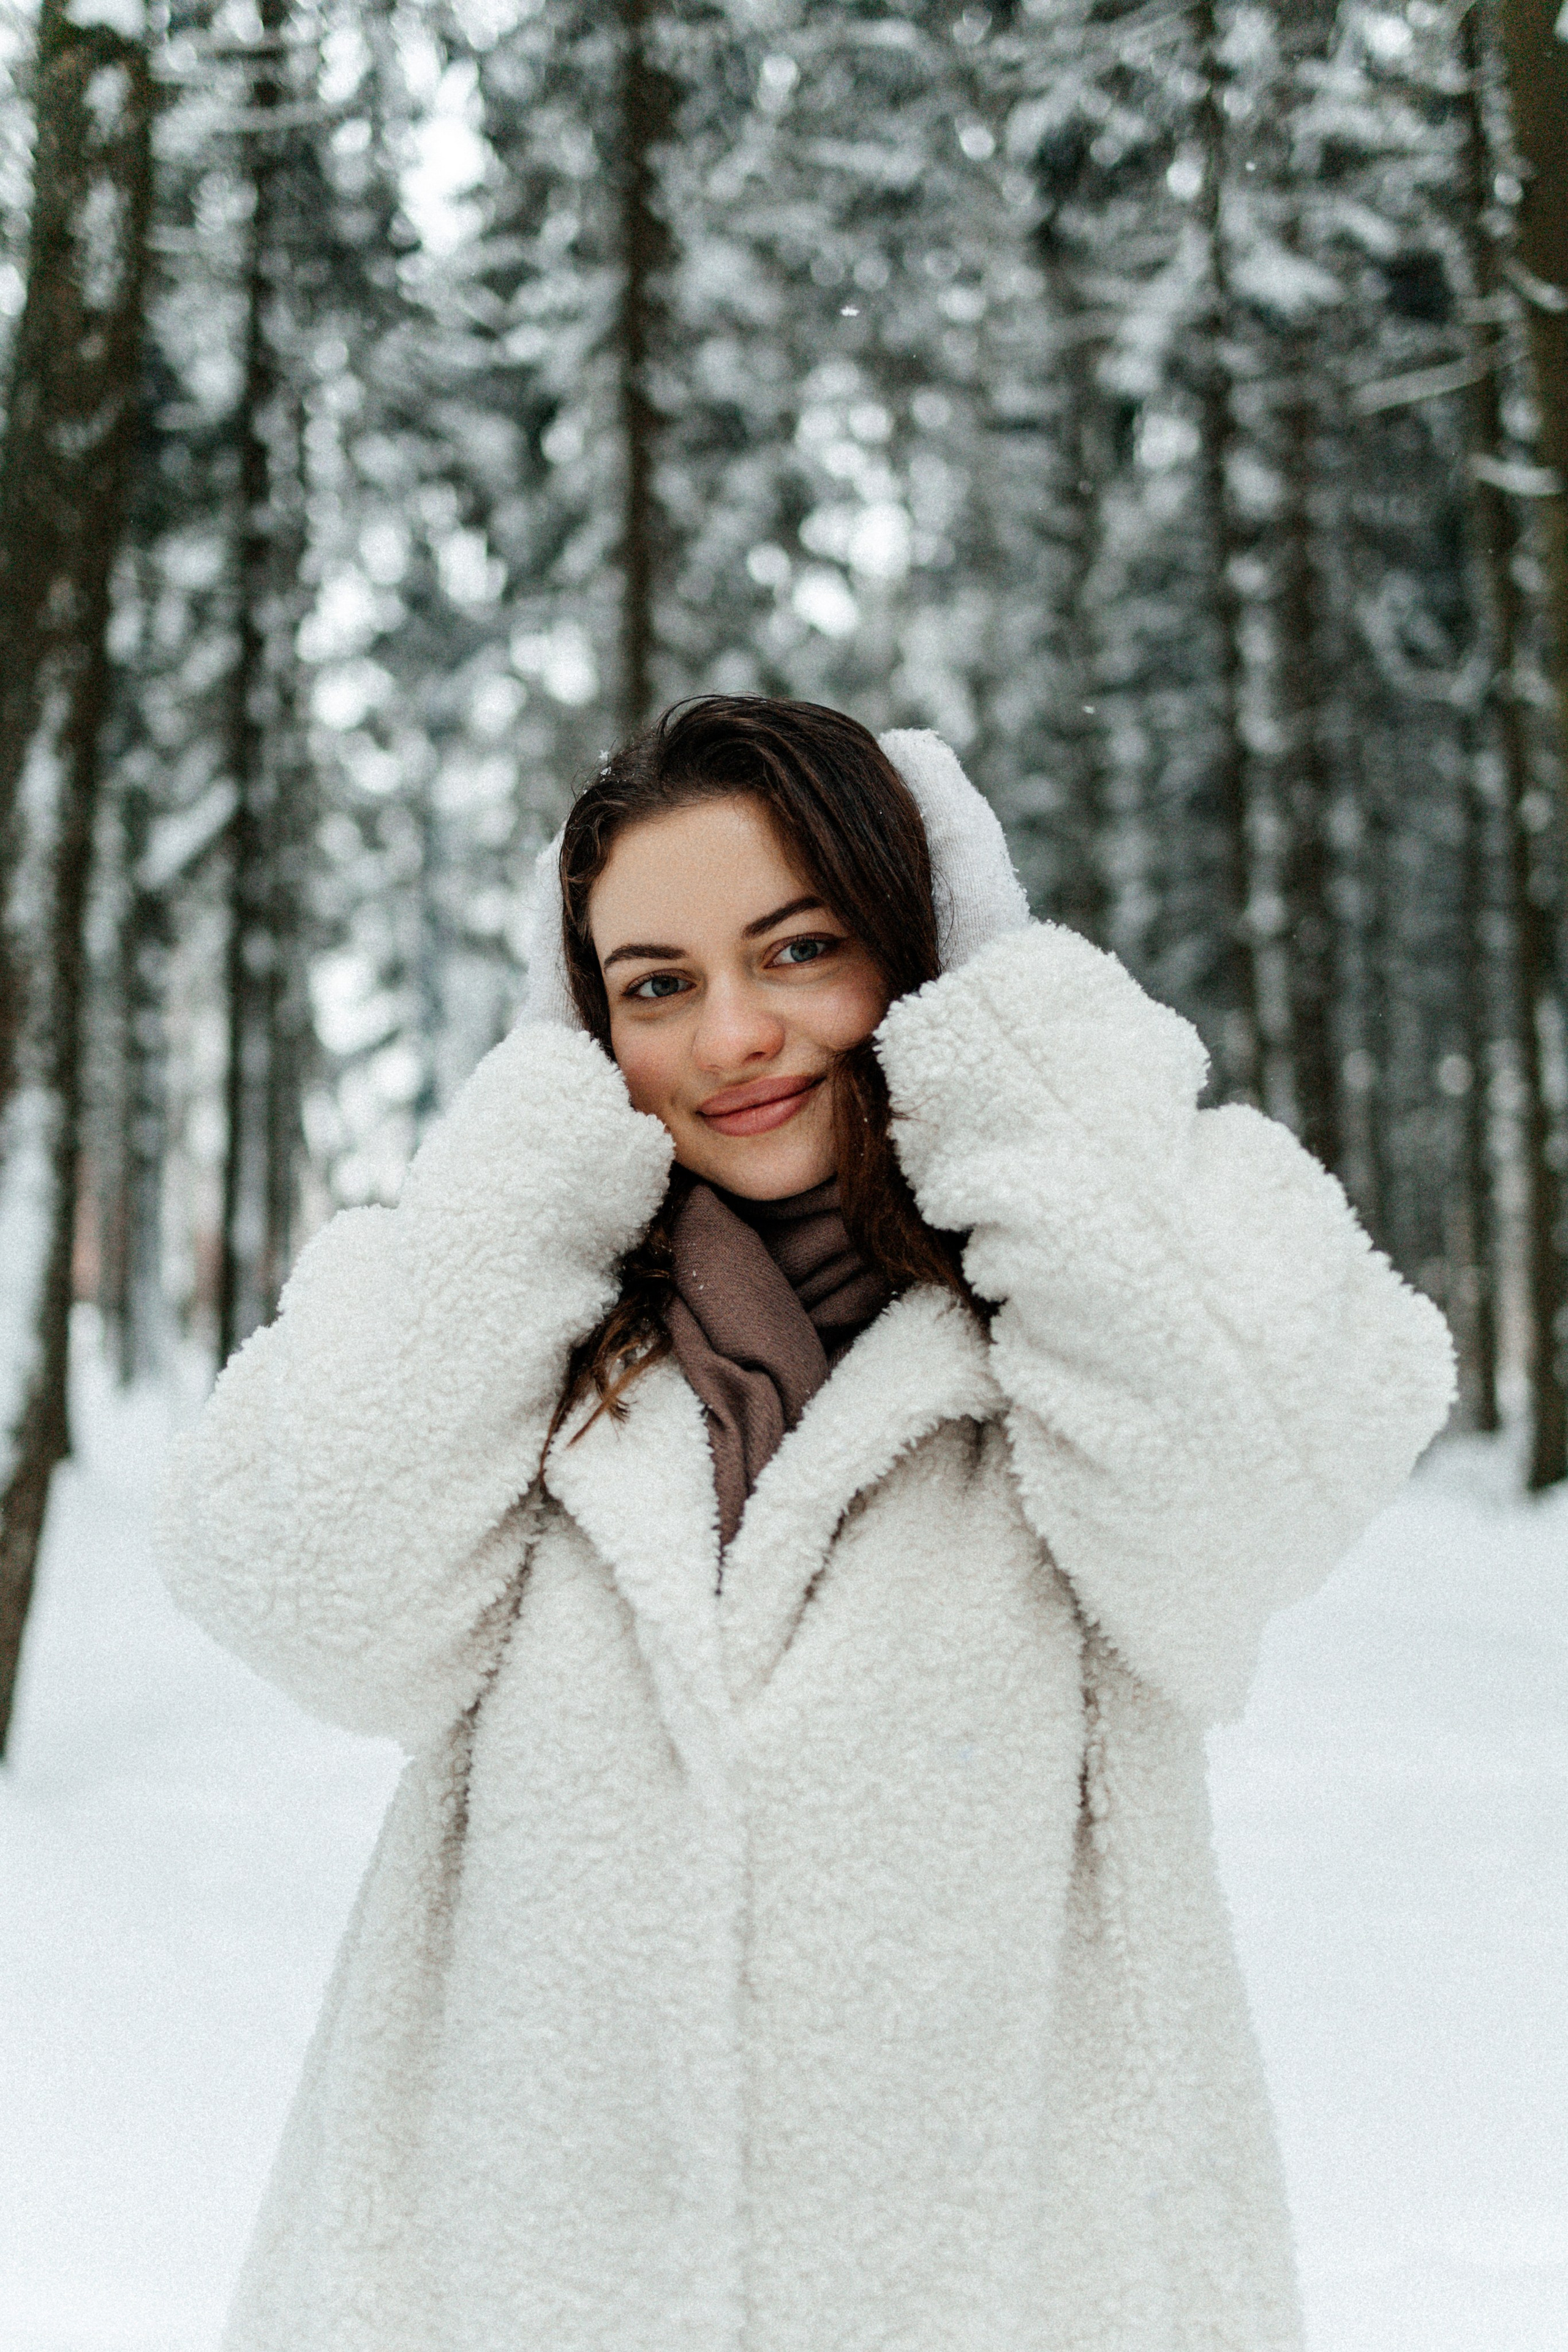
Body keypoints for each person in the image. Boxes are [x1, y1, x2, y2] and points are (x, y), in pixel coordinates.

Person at [160, 695, 1454, 2352]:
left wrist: (1012, 1040)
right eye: (654, 987)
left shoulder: (1077, 1339)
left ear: (919, 954)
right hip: (510, 2285)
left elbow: (1268, 1470)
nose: (733, 1039)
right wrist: (541, 1163)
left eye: (800, 949)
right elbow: (299, 1584)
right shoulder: (516, 1344)